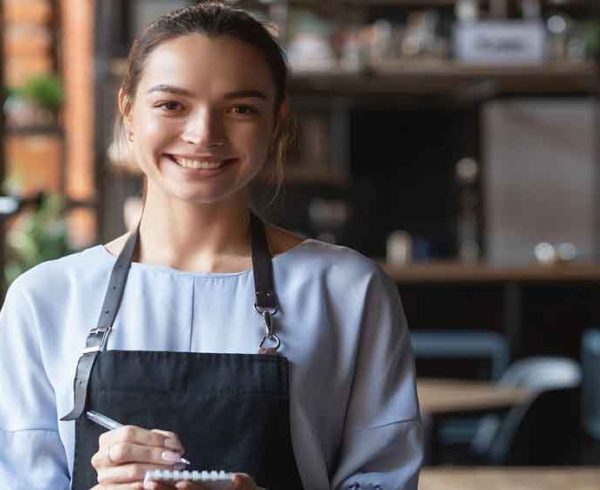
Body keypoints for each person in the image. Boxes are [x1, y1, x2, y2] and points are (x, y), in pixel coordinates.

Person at [0, 2, 422, 489]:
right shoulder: (46, 298)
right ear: (128, 111)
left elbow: (383, 480)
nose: (204, 134)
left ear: (277, 120)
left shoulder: (346, 290)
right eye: (171, 105)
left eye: (240, 109)